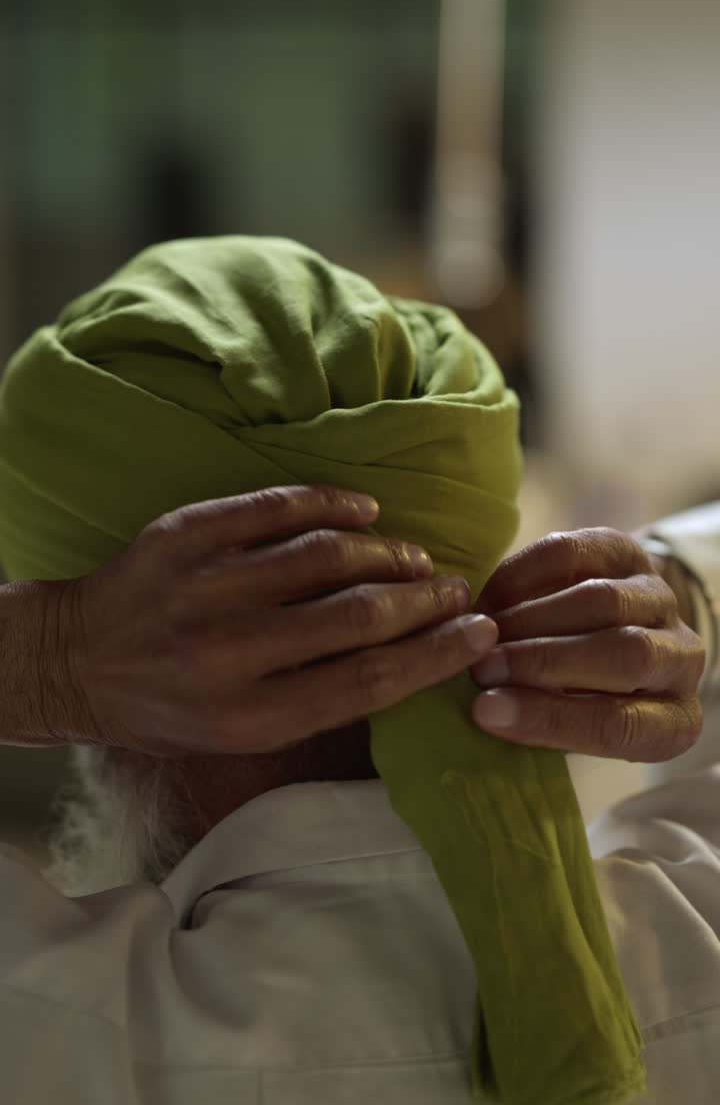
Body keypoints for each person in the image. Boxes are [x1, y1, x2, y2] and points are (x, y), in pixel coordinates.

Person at [0, 236, 714, 1104]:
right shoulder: (695, 921)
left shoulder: (52, 1027)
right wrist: (676, 580)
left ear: (132, 673)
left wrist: (48, 653)